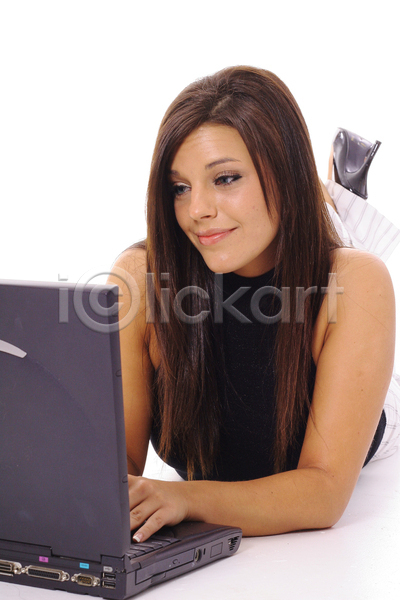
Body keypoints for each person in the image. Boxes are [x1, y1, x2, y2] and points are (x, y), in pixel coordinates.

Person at [107, 66, 400, 544]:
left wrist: (186, 498)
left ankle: (341, 196)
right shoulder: (139, 279)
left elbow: (323, 492)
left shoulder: (358, 283)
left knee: (349, 260)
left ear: (285, 173)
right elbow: (112, 473)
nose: (196, 210)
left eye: (225, 178)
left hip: (373, 395)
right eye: (180, 188)